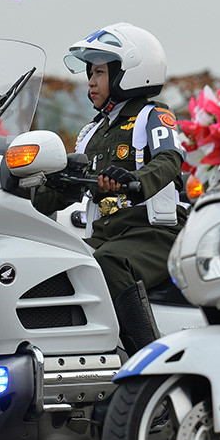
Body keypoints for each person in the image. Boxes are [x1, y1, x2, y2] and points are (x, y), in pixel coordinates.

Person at [33, 22, 188, 354]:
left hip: (154, 232)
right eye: (90, 72)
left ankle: (149, 362)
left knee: (110, 261)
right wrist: (20, 195)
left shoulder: (152, 115)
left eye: (99, 72)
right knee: (53, 263)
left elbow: (170, 159)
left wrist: (135, 181)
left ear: (128, 73)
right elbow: (66, 192)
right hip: (107, 233)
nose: (90, 80)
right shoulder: (91, 132)